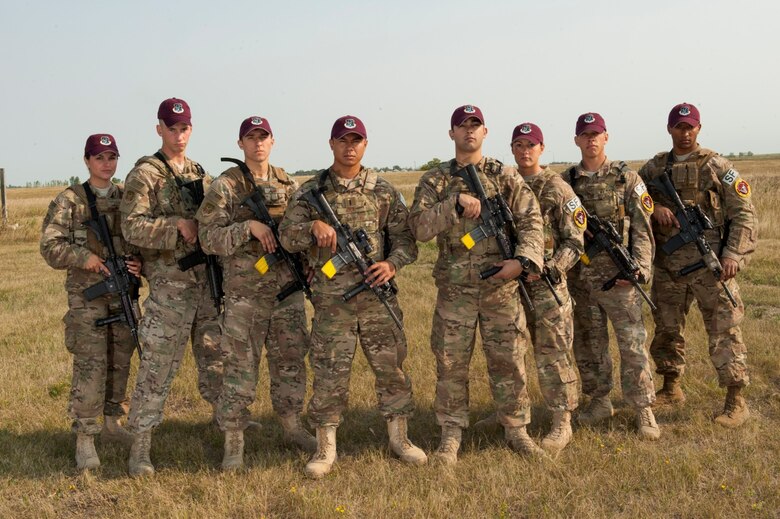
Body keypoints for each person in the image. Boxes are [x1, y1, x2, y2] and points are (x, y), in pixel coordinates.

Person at [279, 115, 426, 479]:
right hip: (332, 302)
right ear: (331, 144)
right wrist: (311, 228)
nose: (349, 147)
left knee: (391, 367)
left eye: (356, 140)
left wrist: (391, 265)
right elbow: (286, 236)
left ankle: (399, 438)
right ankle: (326, 445)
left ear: (365, 145)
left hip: (377, 300)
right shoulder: (311, 192)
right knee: (329, 373)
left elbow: (407, 241)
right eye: (342, 140)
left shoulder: (383, 191)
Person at [408, 105, 546, 464]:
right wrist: (452, 204)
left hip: (501, 289)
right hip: (455, 292)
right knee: (451, 363)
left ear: (485, 132)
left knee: (509, 361)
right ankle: (450, 435)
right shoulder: (435, 181)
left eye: (475, 125)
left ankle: (517, 429)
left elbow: (532, 220)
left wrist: (522, 261)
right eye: (462, 126)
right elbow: (419, 229)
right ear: (451, 133)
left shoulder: (504, 176)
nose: (469, 131)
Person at [196, 115, 315, 470]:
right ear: (240, 144)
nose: (258, 143)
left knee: (291, 361)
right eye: (251, 137)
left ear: (273, 141)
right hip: (245, 294)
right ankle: (234, 440)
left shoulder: (289, 184)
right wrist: (247, 227)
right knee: (239, 368)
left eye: (263, 137)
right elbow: (207, 238)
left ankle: (292, 426)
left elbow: (302, 230)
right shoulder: (226, 186)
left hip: (287, 291)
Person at [120, 97, 223, 476]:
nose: (179, 136)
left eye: (185, 129)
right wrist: (174, 226)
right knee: (157, 364)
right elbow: (130, 226)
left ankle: (223, 421)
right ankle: (140, 445)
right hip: (169, 286)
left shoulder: (198, 171)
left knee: (215, 354)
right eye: (172, 128)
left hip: (205, 282)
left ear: (191, 130)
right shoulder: (145, 174)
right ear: (159, 128)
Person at [638, 103, 757, 427]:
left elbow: (744, 213)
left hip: (711, 265)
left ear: (699, 129)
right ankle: (671, 387)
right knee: (666, 329)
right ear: (670, 129)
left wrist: (733, 255)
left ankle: (736, 401)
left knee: (724, 330)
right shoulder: (654, 167)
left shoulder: (718, 166)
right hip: (669, 267)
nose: (685, 132)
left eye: (690, 127)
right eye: (679, 127)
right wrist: (655, 208)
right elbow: (634, 195)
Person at [40, 134, 142, 470]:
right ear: (87, 161)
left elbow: (140, 240)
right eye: (99, 157)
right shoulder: (70, 200)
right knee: (91, 367)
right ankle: (85, 437)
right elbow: (49, 246)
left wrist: (139, 263)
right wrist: (82, 256)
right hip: (88, 299)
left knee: (121, 362)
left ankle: (113, 424)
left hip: (123, 294)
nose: (106, 163)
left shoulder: (127, 198)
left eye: (112, 157)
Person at [564, 112, 660, 440]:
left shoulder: (627, 180)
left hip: (621, 279)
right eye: (585, 135)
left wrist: (640, 268)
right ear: (576, 140)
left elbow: (644, 230)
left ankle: (643, 408)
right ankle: (599, 400)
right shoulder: (565, 183)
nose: (591, 140)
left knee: (632, 345)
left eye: (596, 134)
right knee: (589, 344)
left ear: (606, 137)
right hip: (581, 280)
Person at [510, 122, 583, 453]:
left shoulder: (558, 188)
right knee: (512, 355)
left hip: (548, 288)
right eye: (519, 144)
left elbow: (575, 240)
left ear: (541, 149)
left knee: (553, 354)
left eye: (531, 145)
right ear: (512, 149)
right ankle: (513, 416)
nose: (525, 150)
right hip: (511, 287)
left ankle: (561, 421)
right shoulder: (504, 185)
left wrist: (553, 269)